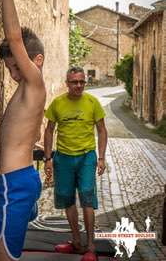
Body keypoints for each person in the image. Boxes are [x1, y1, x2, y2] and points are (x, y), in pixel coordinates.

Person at [0, 0, 46, 261]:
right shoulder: (28, 92)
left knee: (4, 257)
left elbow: (14, 38)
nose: (15, 75)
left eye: (18, 66)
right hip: (18, 179)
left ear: (35, 61)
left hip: (14, 184)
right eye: (10, 69)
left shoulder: (34, 81)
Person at [44, 66, 107, 255]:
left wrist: (101, 158)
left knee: (87, 198)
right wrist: (48, 159)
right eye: (74, 82)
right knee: (67, 199)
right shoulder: (58, 103)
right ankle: (76, 241)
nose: (78, 85)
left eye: (81, 82)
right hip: (63, 158)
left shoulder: (92, 102)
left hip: (87, 156)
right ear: (67, 84)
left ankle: (91, 246)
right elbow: (49, 131)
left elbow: (102, 131)